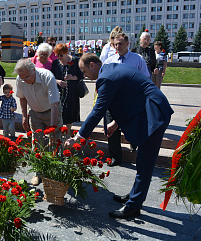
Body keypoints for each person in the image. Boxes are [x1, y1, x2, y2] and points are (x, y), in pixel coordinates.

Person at [65, 53, 173, 219]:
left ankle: (133, 206)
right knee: (142, 160)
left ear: (93, 65)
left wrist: (78, 138)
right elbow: (128, 96)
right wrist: (115, 124)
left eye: (84, 71)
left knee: (145, 162)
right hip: (147, 109)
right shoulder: (110, 71)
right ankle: (134, 195)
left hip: (154, 113)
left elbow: (97, 112)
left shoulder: (106, 78)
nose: (84, 75)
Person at [103, 33, 151, 166]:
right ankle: (115, 157)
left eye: (121, 44)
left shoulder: (137, 59)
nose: (118, 46)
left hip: (131, 102)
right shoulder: (109, 61)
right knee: (111, 130)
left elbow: (146, 78)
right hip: (113, 101)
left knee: (132, 127)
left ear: (128, 44)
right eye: (115, 44)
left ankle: (134, 143)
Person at [15, 58, 62, 185]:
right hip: (34, 112)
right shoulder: (20, 79)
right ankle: (38, 172)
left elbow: (54, 105)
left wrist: (52, 128)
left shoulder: (48, 76)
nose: (24, 80)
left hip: (51, 111)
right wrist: (24, 116)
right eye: (22, 77)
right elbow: (22, 98)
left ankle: (55, 172)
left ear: (33, 70)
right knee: (37, 142)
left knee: (55, 141)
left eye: (27, 77)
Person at [51, 43, 83, 134]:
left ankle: (68, 132)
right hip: (59, 91)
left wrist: (73, 77)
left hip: (72, 91)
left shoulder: (76, 61)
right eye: (57, 55)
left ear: (66, 53)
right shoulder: (56, 63)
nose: (59, 57)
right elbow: (51, 76)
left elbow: (82, 75)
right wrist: (58, 82)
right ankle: (59, 131)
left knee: (70, 111)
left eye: (61, 55)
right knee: (59, 110)